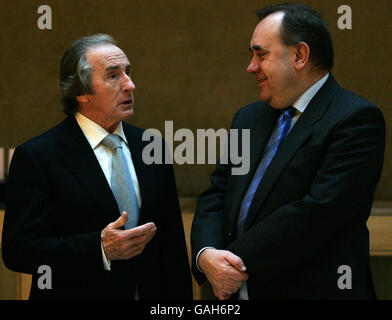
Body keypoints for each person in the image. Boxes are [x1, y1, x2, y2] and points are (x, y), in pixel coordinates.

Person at [191, 3, 385, 300]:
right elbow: (218, 193)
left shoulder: (355, 119)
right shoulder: (249, 118)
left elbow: (317, 213)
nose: (251, 66)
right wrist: (206, 256)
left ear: (299, 55)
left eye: (261, 54)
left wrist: (229, 261)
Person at [2, 34, 193, 300]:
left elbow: (171, 246)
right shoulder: (38, 156)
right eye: (113, 76)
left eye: (128, 73)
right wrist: (99, 248)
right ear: (81, 92)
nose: (130, 85)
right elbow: (18, 251)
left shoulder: (152, 146)